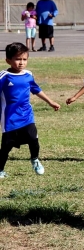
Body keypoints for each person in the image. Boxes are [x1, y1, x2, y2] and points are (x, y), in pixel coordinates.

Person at [0, 42, 60, 178]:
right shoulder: (4, 76)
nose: (21, 63)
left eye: (24, 59)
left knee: (33, 138)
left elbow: (36, 89)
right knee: (6, 146)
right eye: (17, 59)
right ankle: (0, 170)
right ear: (8, 60)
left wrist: (51, 102)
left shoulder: (28, 75)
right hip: (9, 118)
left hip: (26, 115)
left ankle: (35, 159)